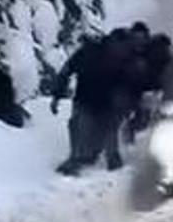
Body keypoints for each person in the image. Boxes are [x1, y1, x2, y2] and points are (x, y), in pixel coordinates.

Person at [51, 31, 129, 176]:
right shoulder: (88, 52)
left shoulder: (123, 59)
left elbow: (129, 83)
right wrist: (56, 96)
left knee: (108, 130)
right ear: (111, 42)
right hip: (85, 101)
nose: (120, 49)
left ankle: (110, 157)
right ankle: (76, 158)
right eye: (119, 46)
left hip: (107, 104)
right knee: (79, 127)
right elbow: (66, 71)